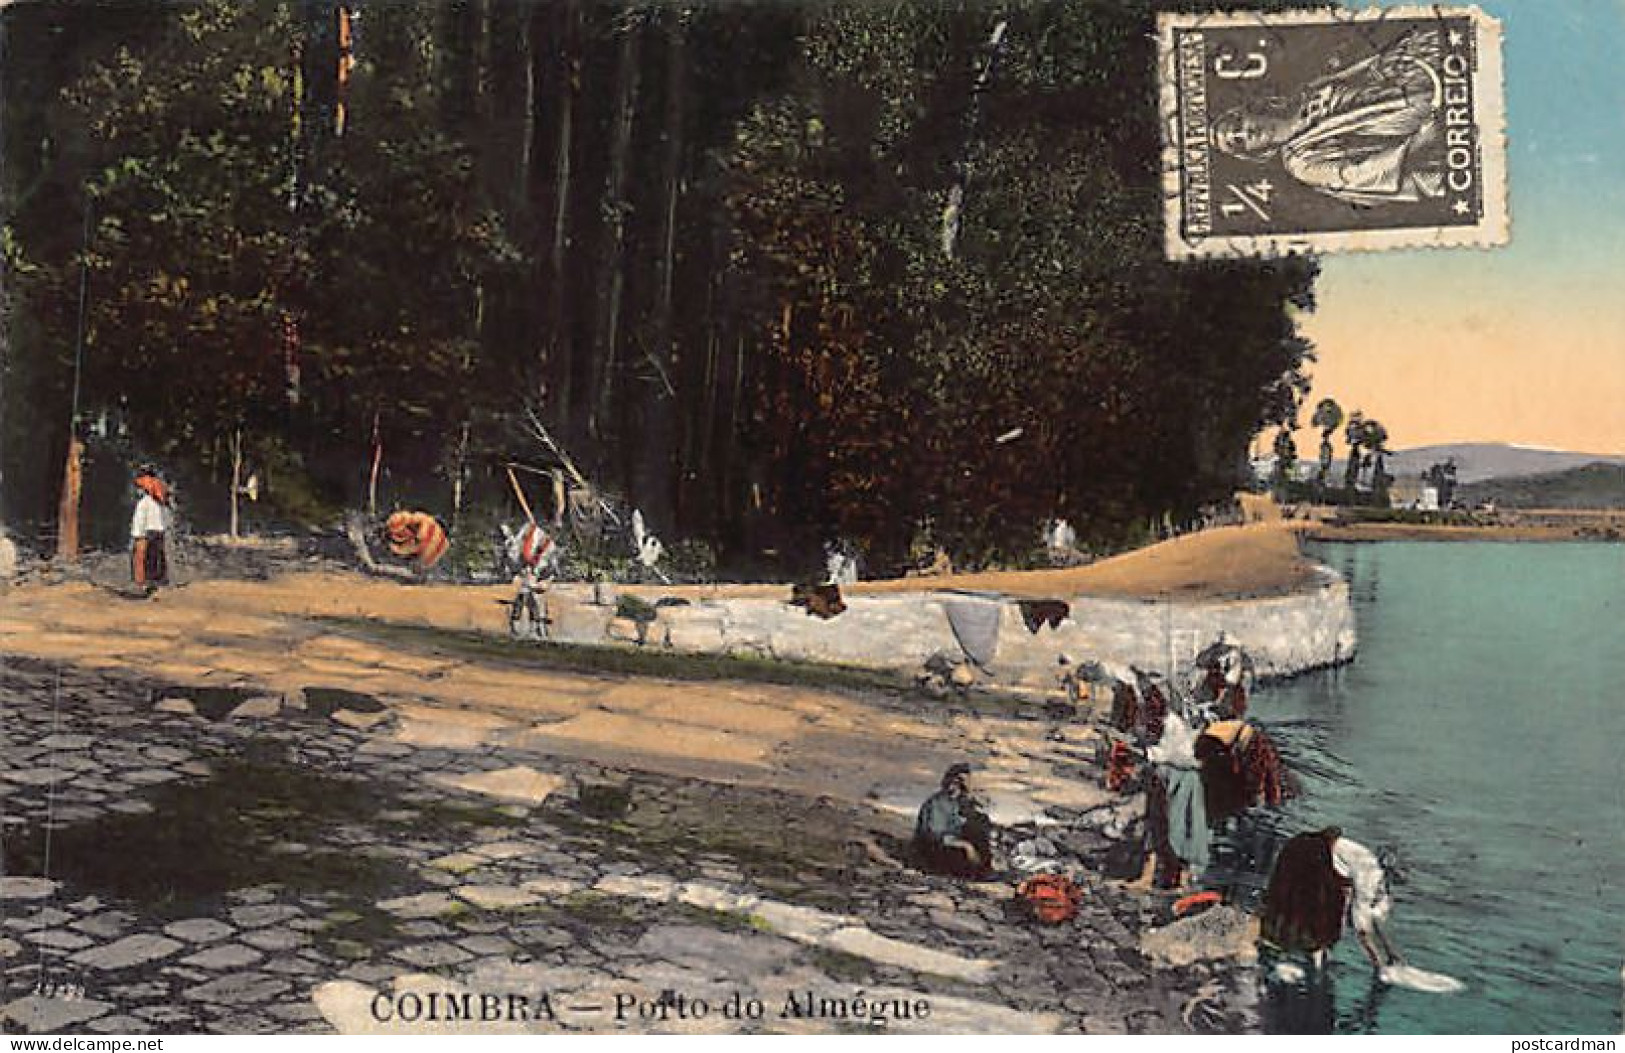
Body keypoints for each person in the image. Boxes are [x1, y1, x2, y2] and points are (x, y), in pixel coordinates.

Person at [1211, 27, 1446, 207]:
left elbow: (1363, 76)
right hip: (1425, 127)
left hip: (1421, 81)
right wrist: (1421, 139)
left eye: (1238, 125)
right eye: (1239, 140)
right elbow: (1358, 174)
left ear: (1249, 113)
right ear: (1252, 151)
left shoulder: (1306, 94)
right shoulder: (1301, 163)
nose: (1246, 132)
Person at [1260, 827, 1401, 971]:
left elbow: (1367, 919)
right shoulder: (1367, 874)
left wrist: (1389, 951)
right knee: (1337, 915)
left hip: (1326, 858)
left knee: (1349, 918)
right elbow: (1362, 924)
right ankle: (1387, 958)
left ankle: (1378, 963)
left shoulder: (1371, 877)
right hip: (1320, 860)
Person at [912, 763, 995, 879]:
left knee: (979, 827)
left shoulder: (958, 802)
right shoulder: (938, 803)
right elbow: (936, 835)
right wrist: (966, 846)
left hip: (952, 841)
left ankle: (983, 871)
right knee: (959, 853)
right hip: (934, 846)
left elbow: (976, 820)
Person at [129, 469, 171, 590]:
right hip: (146, 520)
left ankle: (149, 582)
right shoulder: (142, 496)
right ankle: (141, 583)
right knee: (142, 552)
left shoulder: (156, 485)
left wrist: (153, 487)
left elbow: (162, 497)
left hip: (152, 524)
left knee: (150, 554)